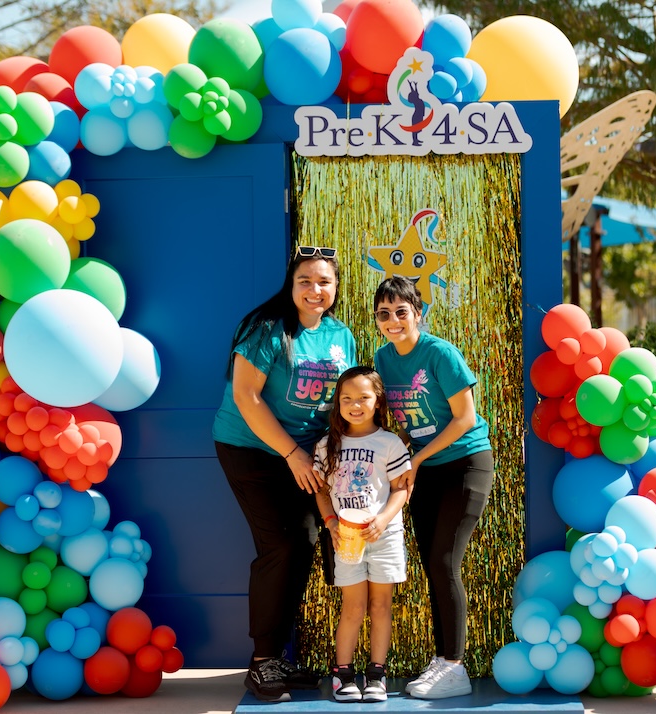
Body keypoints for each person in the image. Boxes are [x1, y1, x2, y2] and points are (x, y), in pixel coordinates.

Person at [212, 245, 358, 703]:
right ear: (291, 285)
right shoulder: (267, 328)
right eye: (305, 281)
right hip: (253, 449)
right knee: (281, 545)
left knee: (307, 546)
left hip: (307, 456)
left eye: (324, 282)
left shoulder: (341, 335)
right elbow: (246, 396)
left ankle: (279, 658)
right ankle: (262, 661)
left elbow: (343, 400)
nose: (315, 290)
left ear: (335, 288)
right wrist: (292, 453)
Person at [371, 276, 494, 700]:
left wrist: (416, 459)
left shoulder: (439, 353)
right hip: (426, 469)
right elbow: (397, 422)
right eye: (384, 314)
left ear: (417, 314)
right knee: (432, 566)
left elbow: (464, 417)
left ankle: (456, 667)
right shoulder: (382, 360)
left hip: (465, 464)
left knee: (445, 561)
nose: (393, 321)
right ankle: (443, 660)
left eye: (401, 312)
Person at [313, 366, 411, 703]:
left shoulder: (390, 443)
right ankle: (344, 674)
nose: (355, 405)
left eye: (363, 397)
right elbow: (321, 491)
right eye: (347, 399)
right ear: (338, 404)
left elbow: (402, 489)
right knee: (353, 607)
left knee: (381, 605)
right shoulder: (327, 445)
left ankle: (377, 674)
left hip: (384, 536)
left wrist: (383, 519)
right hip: (347, 539)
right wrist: (330, 523)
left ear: (378, 401)